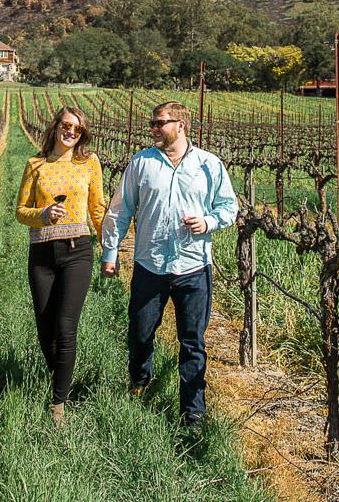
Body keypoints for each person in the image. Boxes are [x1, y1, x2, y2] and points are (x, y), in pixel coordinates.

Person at [100, 100, 239, 431]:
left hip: (194, 267)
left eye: (160, 122)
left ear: (181, 125)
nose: (154, 127)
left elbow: (229, 207)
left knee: (193, 342)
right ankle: (140, 378)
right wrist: (110, 253)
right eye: (153, 122)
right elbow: (121, 210)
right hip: (151, 264)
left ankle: (193, 413)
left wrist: (208, 222)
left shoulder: (209, 164)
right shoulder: (141, 163)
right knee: (140, 332)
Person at [16, 107, 107, 425]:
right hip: (41, 252)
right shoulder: (35, 164)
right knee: (45, 327)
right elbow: (20, 210)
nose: (71, 132)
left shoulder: (89, 162)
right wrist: (41, 215)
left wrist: (108, 247)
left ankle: (58, 404)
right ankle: (64, 379)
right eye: (66, 126)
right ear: (55, 127)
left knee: (66, 327)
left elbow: (97, 207)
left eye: (78, 129)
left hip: (77, 251)